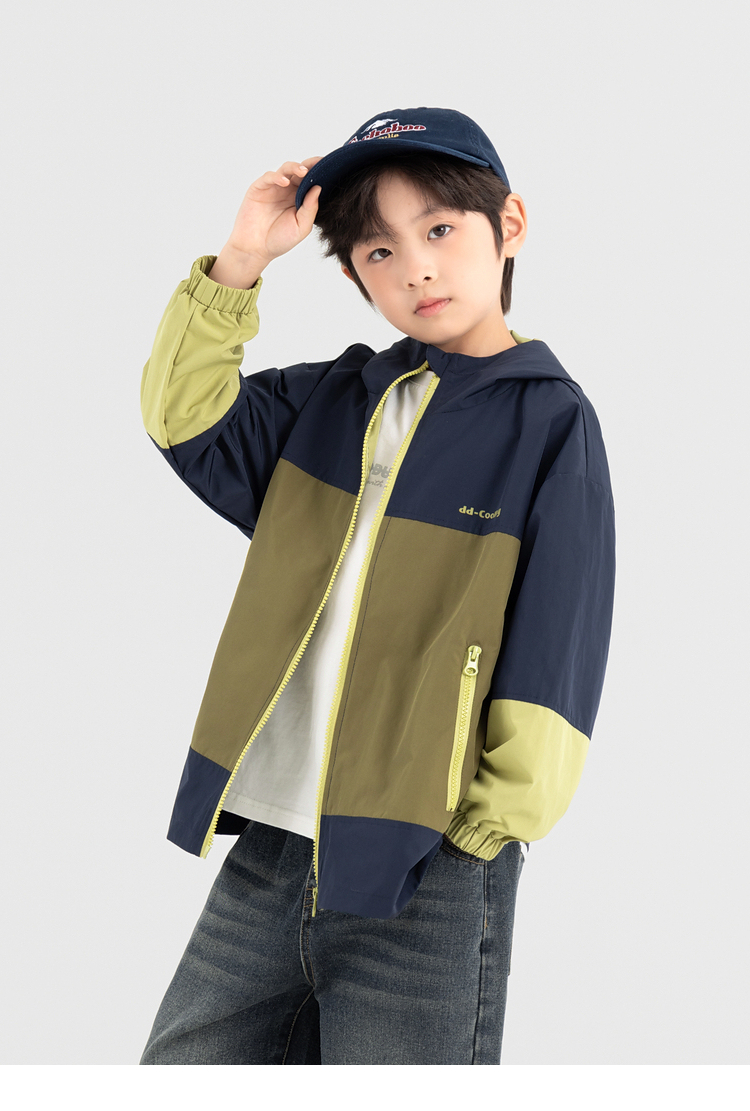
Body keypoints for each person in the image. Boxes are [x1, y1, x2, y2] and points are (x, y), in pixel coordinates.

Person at [137, 107, 616, 1065]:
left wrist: (484, 829)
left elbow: (559, 638)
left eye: (439, 230)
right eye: (380, 251)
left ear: (509, 225)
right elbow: (181, 415)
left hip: (426, 860)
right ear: (357, 276)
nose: (416, 269)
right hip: (274, 850)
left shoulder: (550, 423)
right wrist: (241, 258)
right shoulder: (331, 399)